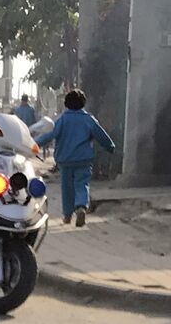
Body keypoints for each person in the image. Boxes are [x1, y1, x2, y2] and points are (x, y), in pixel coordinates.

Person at [35, 90, 117, 228]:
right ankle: (81, 207)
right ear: (83, 103)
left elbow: (49, 135)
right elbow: (101, 135)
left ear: (66, 104)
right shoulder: (88, 119)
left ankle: (67, 215)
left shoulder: (61, 120)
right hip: (83, 159)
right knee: (82, 184)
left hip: (65, 160)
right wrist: (110, 146)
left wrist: (33, 145)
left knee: (67, 187)